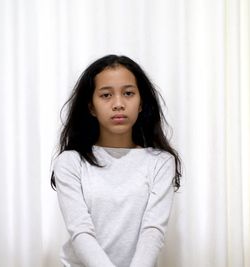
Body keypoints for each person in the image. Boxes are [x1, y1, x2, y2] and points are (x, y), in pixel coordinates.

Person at [51, 55, 182, 267]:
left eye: (128, 93)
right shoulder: (70, 162)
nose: (118, 104)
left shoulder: (161, 162)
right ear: (91, 107)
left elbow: (153, 231)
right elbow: (81, 232)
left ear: (141, 104)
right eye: (106, 95)